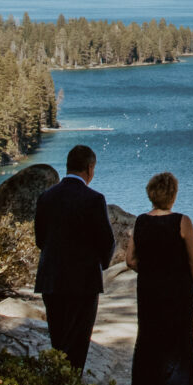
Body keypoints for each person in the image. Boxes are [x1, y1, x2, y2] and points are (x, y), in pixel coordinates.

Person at [32, 144, 117, 367]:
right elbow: (107, 242)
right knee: (77, 345)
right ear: (89, 168)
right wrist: (100, 265)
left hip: (51, 281)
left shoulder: (46, 197)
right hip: (83, 283)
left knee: (58, 342)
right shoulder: (94, 199)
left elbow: (40, 240)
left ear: (68, 166)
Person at [126, 170, 193, 385]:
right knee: (179, 347)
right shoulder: (182, 222)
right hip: (178, 292)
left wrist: (149, 271)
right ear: (173, 195)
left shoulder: (140, 222)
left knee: (148, 344)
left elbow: (130, 260)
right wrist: (192, 287)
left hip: (148, 291)